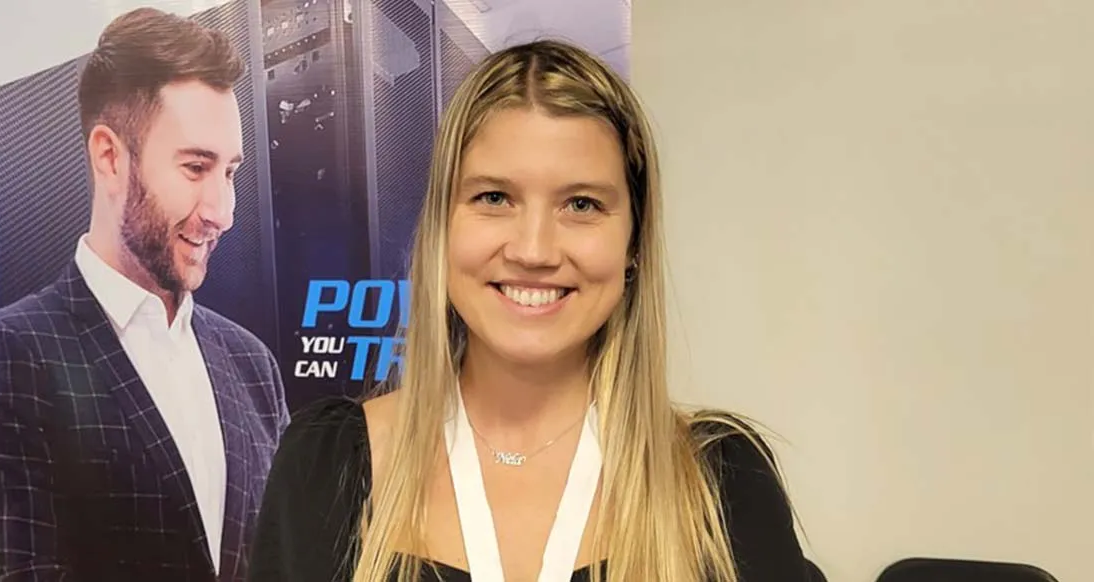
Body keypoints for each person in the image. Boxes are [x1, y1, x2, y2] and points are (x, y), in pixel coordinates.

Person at [247, 40, 809, 582]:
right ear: (442, 225)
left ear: (633, 243)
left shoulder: (721, 481)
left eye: (582, 204)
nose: (534, 250)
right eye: (494, 198)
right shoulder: (324, 466)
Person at [0, 8, 289, 581]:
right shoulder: (8, 357)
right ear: (110, 157)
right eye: (195, 167)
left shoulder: (253, 367)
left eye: (230, 173)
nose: (222, 212)